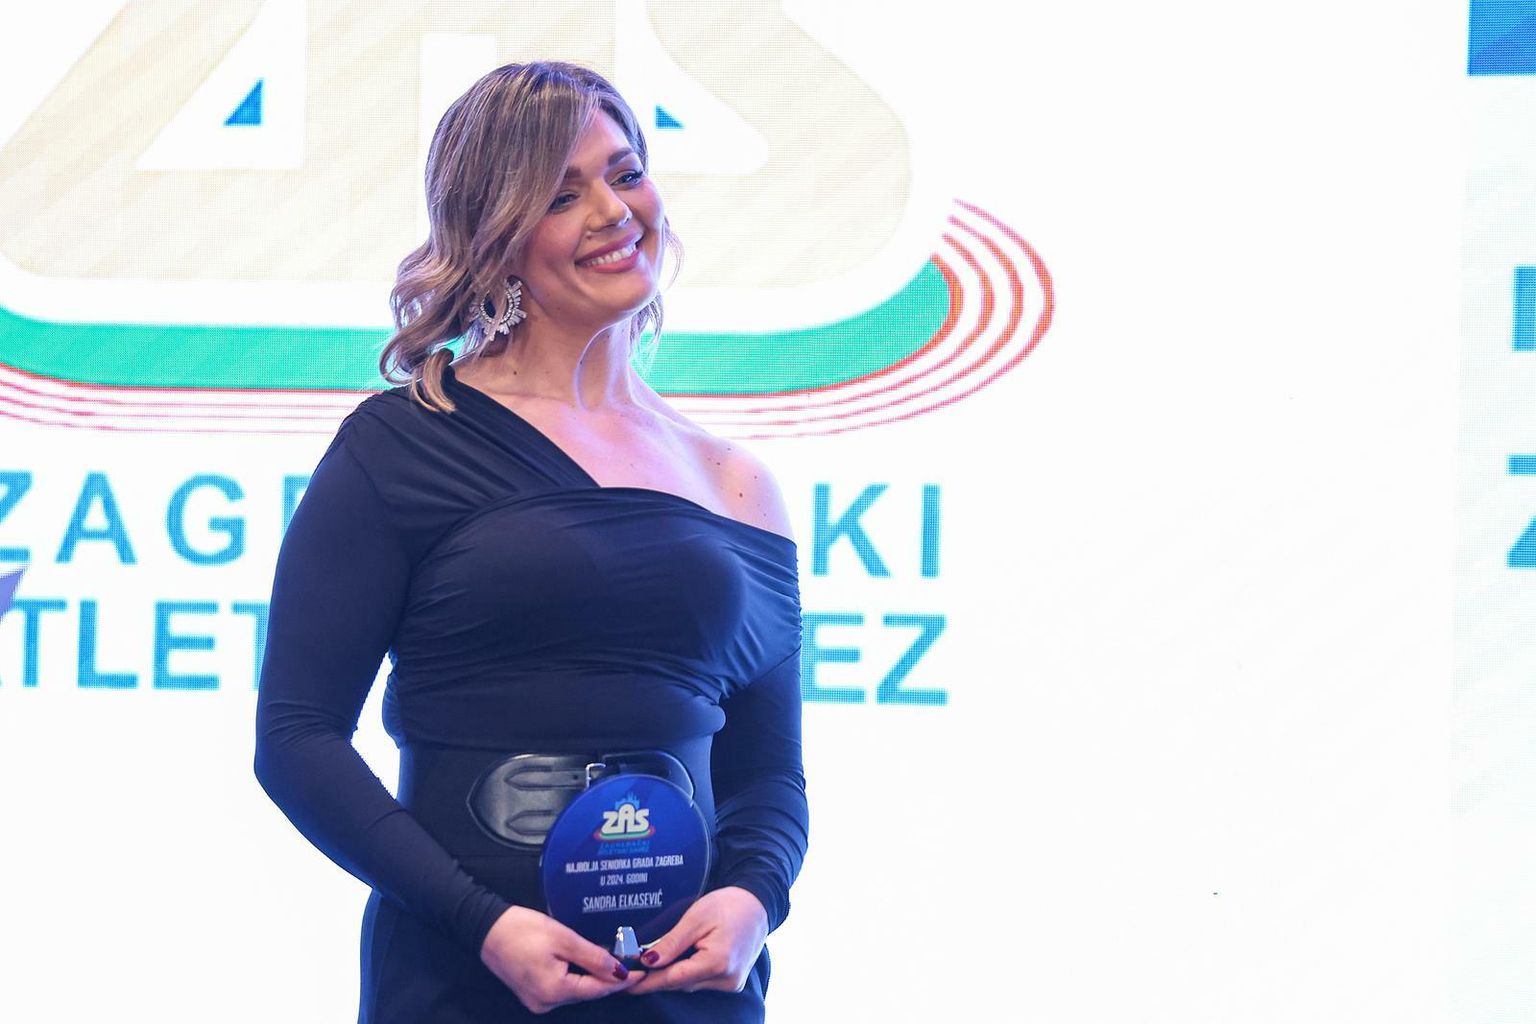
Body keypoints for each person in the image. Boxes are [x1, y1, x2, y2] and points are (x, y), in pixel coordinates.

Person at [253, 61, 808, 1023]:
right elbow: (296, 738)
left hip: (686, 994)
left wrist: (755, 900)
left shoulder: (735, 480)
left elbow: (769, 774)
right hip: (463, 982)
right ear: (495, 236)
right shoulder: (406, 441)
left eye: (625, 174)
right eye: (562, 194)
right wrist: (482, 923)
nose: (613, 211)